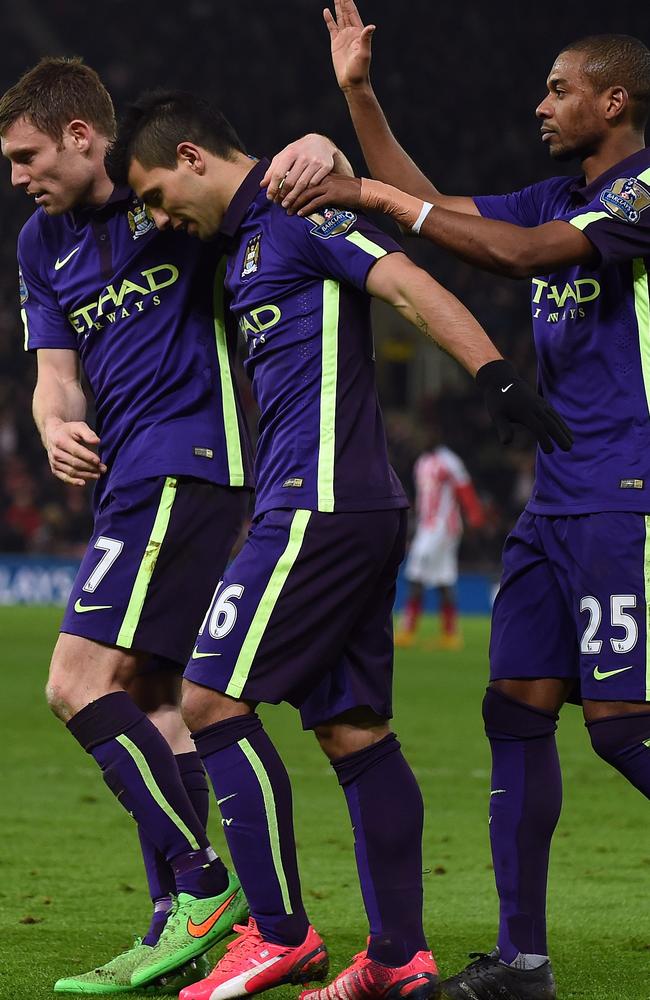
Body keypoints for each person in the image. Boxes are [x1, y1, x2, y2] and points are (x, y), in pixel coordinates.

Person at [107, 89, 571, 1000]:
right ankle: (399, 959)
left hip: (320, 505)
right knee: (354, 732)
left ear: (194, 155)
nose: (162, 218)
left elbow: (408, 281)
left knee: (207, 701)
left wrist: (494, 376)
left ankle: (276, 933)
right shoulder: (239, 243)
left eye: (160, 194)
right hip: (335, 504)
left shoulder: (293, 215)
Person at [268, 5, 650, 998]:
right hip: (554, 503)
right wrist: (358, 93)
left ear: (614, 99)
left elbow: (517, 257)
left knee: (618, 725)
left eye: (558, 89)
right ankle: (521, 962)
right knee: (513, 709)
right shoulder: (556, 191)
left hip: (626, 494)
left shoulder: (640, 191)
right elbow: (434, 209)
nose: (539, 104)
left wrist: (361, 193)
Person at [0, 57, 259, 995]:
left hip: (184, 465)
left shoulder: (167, 200)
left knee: (75, 684)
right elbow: (54, 375)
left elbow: (251, 185)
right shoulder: (39, 242)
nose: (19, 176)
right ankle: (174, 922)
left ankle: (201, 886)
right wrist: (53, 423)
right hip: (129, 482)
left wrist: (323, 140)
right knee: (155, 697)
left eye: (27, 155)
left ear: (82, 135)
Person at [396, 427, 485, 651]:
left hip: (442, 527)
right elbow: (423, 497)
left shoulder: (449, 461)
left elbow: (464, 487)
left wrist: (475, 515)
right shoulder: (422, 462)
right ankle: (451, 635)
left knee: (415, 573)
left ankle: (407, 630)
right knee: (444, 579)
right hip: (428, 527)